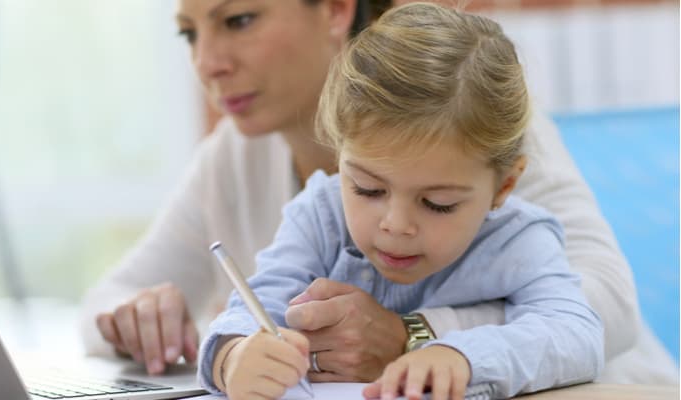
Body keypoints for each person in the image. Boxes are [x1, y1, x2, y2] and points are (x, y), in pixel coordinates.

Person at [79, 0, 677, 385]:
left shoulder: (471, 124)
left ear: (336, 9)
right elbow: (115, 300)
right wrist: (149, 322)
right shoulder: (242, 161)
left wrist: (416, 334)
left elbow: (604, 309)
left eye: (239, 20)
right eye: (188, 34)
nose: (207, 62)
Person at [199, 4, 603, 400]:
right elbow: (250, 310)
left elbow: (577, 335)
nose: (396, 225)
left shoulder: (519, 239)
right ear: (341, 155)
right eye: (368, 189)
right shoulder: (320, 215)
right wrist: (231, 356)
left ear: (504, 186)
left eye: (438, 203)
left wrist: (462, 355)